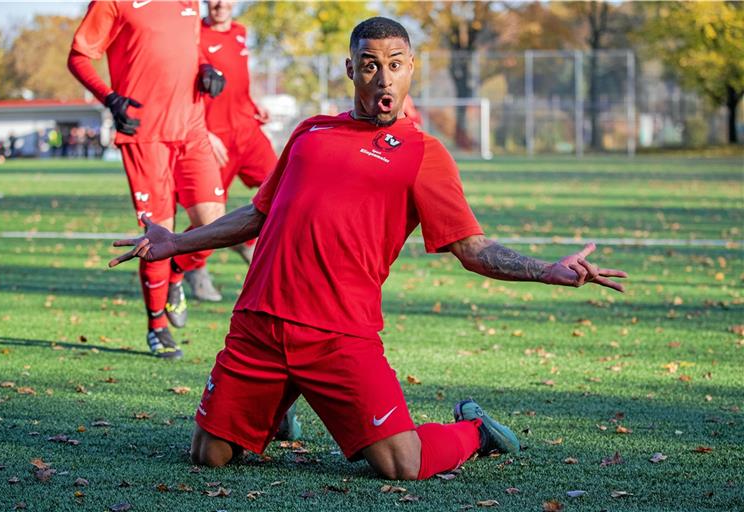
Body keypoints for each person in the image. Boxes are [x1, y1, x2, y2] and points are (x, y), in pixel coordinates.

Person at [109, 17, 627, 479]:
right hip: (259, 323)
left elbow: (472, 247)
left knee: (400, 465)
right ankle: (274, 407)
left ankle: (476, 433)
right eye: (370, 65)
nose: (383, 78)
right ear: (351, 70)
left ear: (411, 70)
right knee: (209, 456)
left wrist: (546, 270)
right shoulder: (310, 133)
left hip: (339, 334)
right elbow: (257, 215)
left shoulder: (424, 154)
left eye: (395, 65)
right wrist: (175, 242)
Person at [68, 0, 228, 359]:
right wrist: (110, 99)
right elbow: (78, 56)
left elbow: (192, 46)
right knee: (158, 233)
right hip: (143, 134)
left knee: (214, 225)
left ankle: (175, 273)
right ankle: (157, 325)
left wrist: (206, 68)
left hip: (192, 129)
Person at [178, 0, 279, 303]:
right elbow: (182, 90)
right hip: (213, 140)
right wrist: (204, 132)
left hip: (248, 133)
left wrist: (253, 105)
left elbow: (237, 84)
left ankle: (248, 242)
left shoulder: (240, 32)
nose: (221, 3)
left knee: (285, 191)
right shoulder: (191, 34)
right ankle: (189, 266)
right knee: (209, 216)